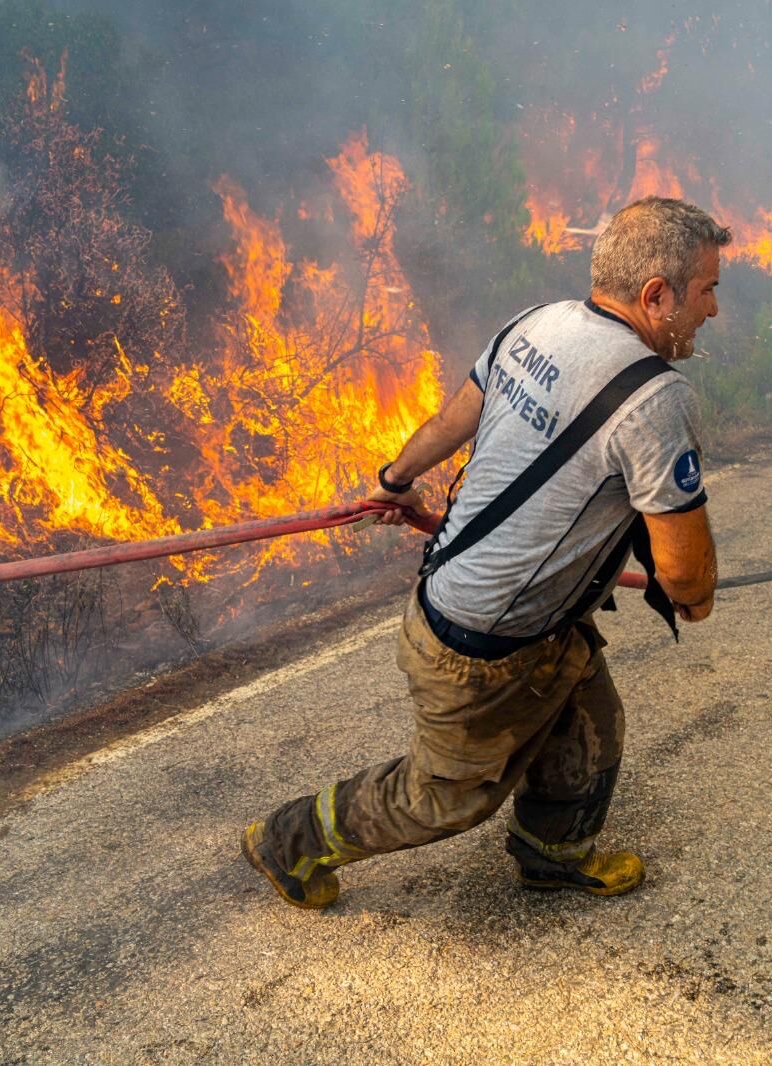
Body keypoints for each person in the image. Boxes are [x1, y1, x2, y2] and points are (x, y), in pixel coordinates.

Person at [241, 196, 727, 909]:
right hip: (482, 648)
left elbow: (449, 422)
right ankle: (289, 840)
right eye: (709, 290)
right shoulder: (656, 399)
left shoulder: (535, 323)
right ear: (658, 295)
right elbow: (685, 573)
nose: (713, 310)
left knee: (589, 717)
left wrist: (394, 482)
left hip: (490, 608)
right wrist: (694, 596)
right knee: (444, 798)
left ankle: (552, 855)